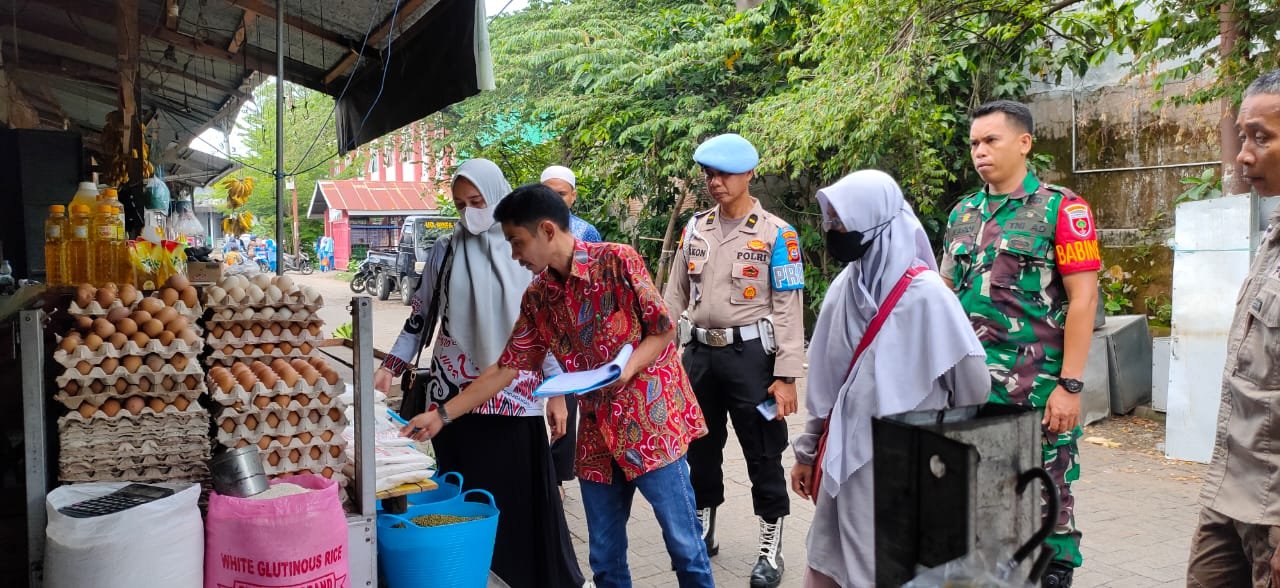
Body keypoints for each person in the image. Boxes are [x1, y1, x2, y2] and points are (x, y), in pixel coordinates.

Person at [401, 184, 713, 588]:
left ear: (547, 230)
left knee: (685, 547)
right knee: (604, 558)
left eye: (517, 242)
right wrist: (441, 415)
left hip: (651, 426)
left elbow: (663, 330)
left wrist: (627, 368)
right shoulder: (538, 296)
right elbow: (506, 368)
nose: (514, 254)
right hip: (597, 434)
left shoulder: (617, 261)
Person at [374, 159, 585, 588]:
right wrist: (390, 365)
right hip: (452, 397)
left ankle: (523, 578)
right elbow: (421, 316)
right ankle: (466, 572)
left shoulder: (525, 251)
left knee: (516, 500)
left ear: (497, 197)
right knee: (464, 497)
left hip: (516, 397)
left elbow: (542, 330)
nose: (469, 213)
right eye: (460, 205)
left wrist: (558, 392)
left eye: (477, 201)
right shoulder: (445, 250)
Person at [790, 170, 990, 586]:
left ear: (874, 219)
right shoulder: (845, 289)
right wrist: (807, 452)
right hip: (851, 462)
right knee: (837, 561)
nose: (833, 230)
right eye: (830, 221)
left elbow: (972, 384)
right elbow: (827, 386)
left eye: (842, 220)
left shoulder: (928, 295)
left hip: (907, 463)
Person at [940, 100, 1101, 587]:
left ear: (1024, 142)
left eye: (991, 140)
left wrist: (1070, 386)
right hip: (970, 390)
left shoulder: (1062, 209)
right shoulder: (963, 212)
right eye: (974, 143)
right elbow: (942, 296)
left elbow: (1084, 299)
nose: (980, 151)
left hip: (1036, 391)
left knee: (1048, 509)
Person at [662, 133, 805, 588]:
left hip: (752, 361)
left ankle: (770, 545)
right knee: (699, 447)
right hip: (699, 356)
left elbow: (789, 308)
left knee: (763, 450)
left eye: (724, 174)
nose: (715, 182)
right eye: (709, 174)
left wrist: (787, 376)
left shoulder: (777, 234)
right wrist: (658, 350)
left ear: (749, 174)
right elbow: (674, 295)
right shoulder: (695, 228)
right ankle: (705, 527)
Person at [1186, 68, 1280, 588]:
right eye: (1243, 136)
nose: (1243, 155)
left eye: (1260, 138)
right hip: (1228, 489)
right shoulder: (1274, 236)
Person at [540, 164, 602, 498]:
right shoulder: (528, 229)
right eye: (548, 192)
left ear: (573, 196)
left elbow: (594, 286)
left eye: (561, 193)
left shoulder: (586, 232)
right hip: (534, 327)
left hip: (570, 333)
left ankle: (558, 477)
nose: (554, 199)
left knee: (566, 403)